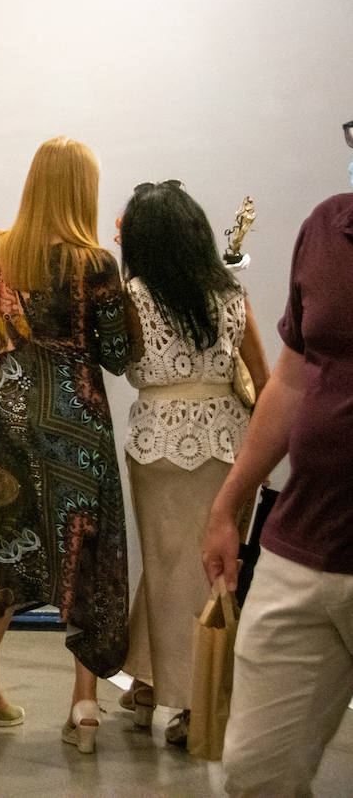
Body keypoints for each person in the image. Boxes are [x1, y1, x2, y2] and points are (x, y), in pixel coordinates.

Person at [0, 137, 138, 754]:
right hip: (78, 423)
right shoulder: (97, 264)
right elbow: (116, 356)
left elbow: (2, 329)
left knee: (3, 545)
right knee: (88, 555)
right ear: (82, 190)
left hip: (12, 416)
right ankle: (85, 704)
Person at [202, 121, 353, 796]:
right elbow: (290, 382)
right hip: (302, 545)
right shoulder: (327, 230)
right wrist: (230, 501)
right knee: (255, 770)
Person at [115, 181, 270, 748]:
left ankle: (186, 701)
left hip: (156, 444)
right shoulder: (232, 294)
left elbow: (119, 361)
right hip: (230, 444)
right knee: (213, 575)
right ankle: (162, 686)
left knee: (167, 570)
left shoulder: (131, 298)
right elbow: (264, 378)